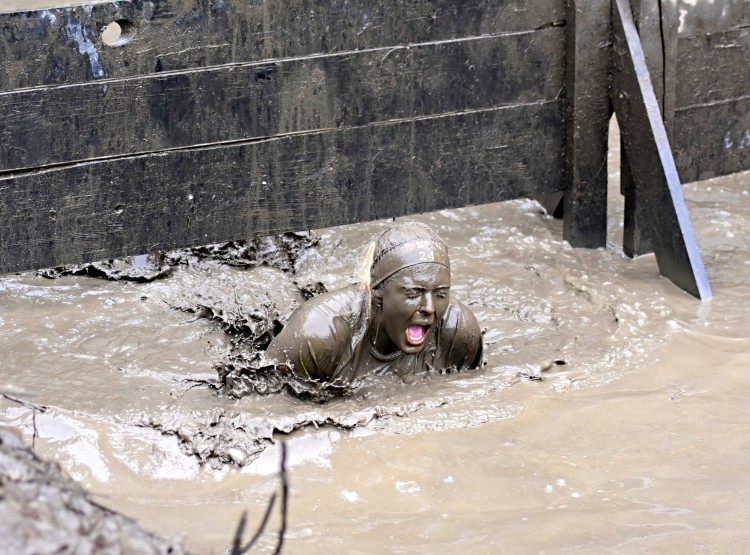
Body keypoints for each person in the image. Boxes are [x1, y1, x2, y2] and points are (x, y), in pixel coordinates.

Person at [266, 221, 483, 387]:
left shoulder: (458, 331)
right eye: (413, 292)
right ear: (378, 292)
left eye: (440, 293)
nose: (430, 307)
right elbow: (267, 400)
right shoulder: (319, 333)